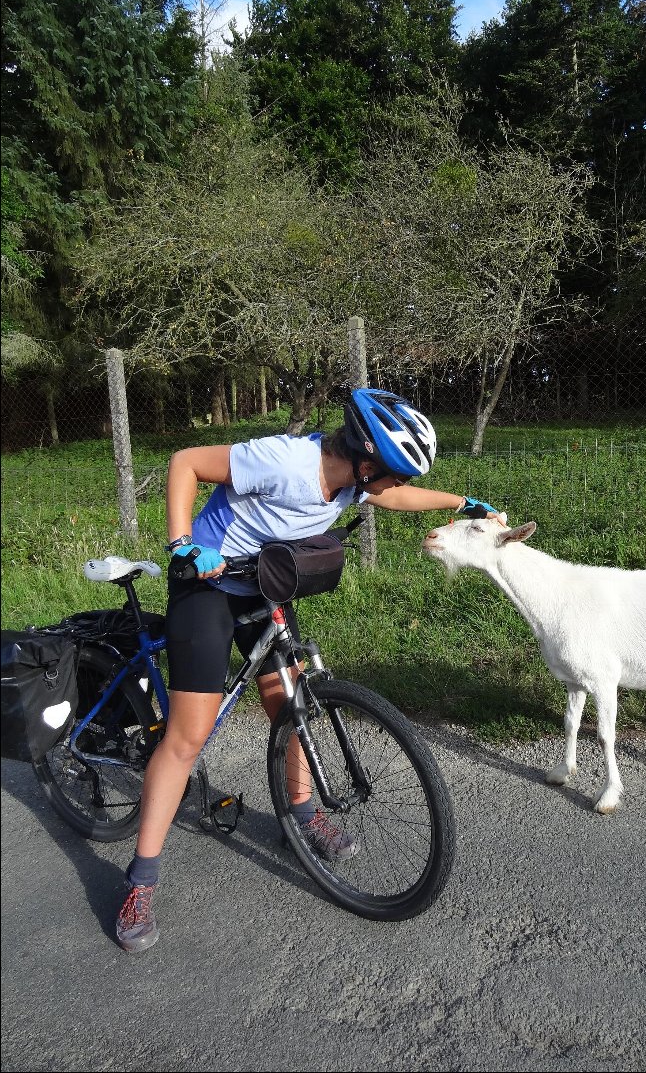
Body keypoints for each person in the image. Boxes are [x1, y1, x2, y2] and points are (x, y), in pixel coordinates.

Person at [116, 388, 501, 952]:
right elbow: (187, 463)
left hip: (263, 582)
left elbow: (394, 498)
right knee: (188, 735)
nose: (393, 485)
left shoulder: (354, 480)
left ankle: (301, 812)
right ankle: (140, 880)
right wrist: (182, 545)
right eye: (393, 474)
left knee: (291, 705)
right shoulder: (286, 461)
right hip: (206, 583)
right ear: (368, 463)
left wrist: (460, 502)